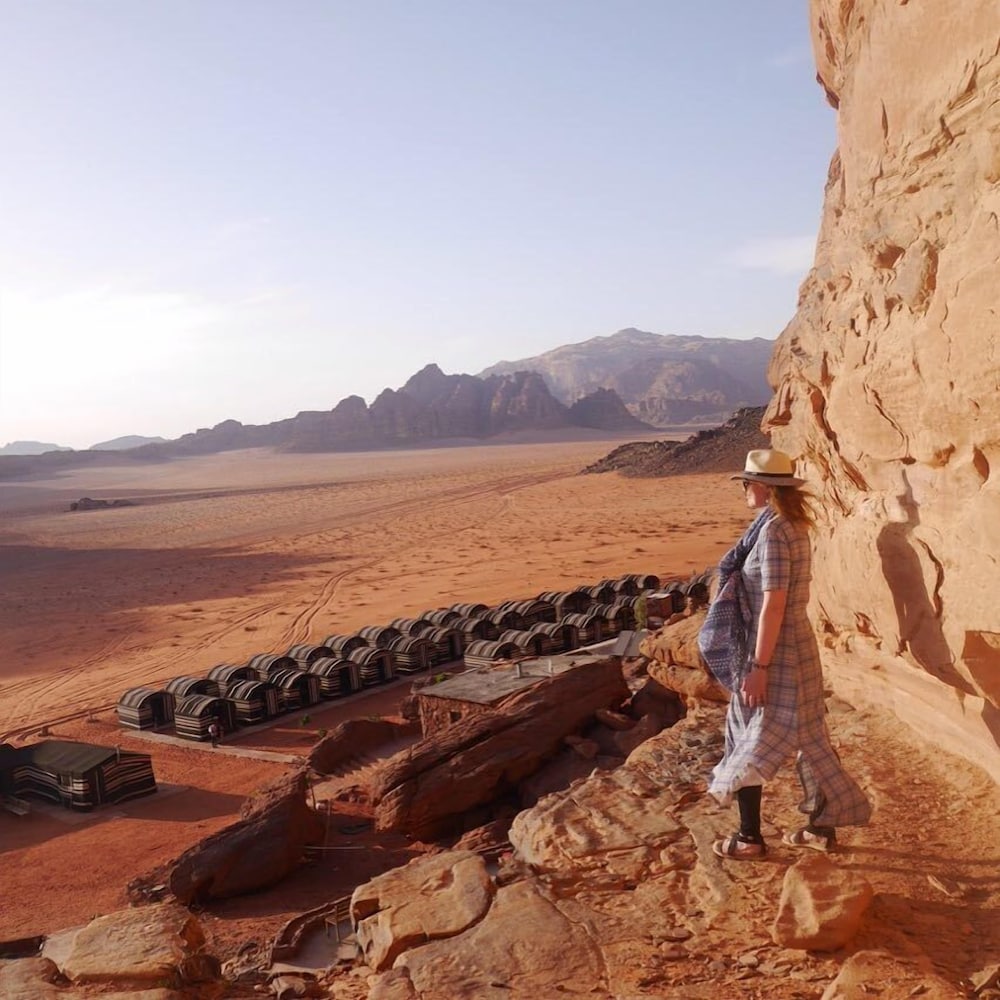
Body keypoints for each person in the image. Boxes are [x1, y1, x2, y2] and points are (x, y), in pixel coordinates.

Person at [707, 449, 872, 859]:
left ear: (761, 488)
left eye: (747, 483)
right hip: (793, 643)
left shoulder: (775, 532)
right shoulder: (785, 525)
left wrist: (759, 667)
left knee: (747, 735)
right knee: (810, 738)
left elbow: (773, 604)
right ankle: (820, 829)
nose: (744, 490)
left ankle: (749, 839)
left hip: (775, 649)